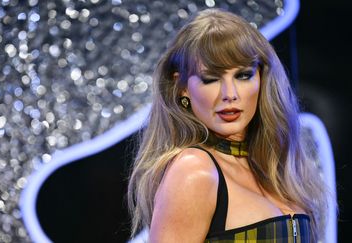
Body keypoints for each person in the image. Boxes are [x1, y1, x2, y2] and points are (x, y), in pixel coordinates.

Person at [127, 8, 330, 243]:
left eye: (243, 75)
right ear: (181, 87)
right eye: (211, 79)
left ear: (262, 79)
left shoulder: (275, 168)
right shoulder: (194, 170)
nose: (229, 94)